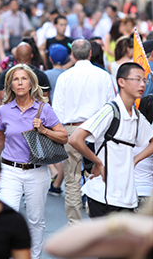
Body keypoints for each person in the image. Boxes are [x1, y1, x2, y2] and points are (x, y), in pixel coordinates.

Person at [0, 64, 68, 259]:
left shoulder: (44, 109)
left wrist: (44, 130)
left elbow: (64, 137)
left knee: (36, 221)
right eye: (15, 79)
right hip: (9, 170)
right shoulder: (4, 110)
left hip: (37, 171)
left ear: (31, 84)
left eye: (23, 79)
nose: (19, 82)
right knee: (6, 217)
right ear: (10, 85)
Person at [69, 63, 153, 217]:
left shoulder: (137, 116)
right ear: (121, 82)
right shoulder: (110, 110)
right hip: (104, 195)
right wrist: (98, 163)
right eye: (137, 79)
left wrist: (135, 159)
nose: (142, 84)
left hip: (128, 196)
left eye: (144, 81)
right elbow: (75, 139)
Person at [52, 39, 115, 224]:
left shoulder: (65, 76)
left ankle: (75, 224)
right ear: (90, 54)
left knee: (72, 179)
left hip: (71, 130)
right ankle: (94, 218)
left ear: (72, 55)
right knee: (95, 176)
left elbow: (57, 110)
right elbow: (110, 106)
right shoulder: (103, 76)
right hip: (96, 130)